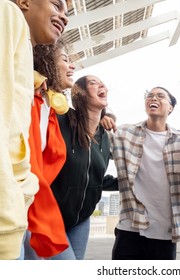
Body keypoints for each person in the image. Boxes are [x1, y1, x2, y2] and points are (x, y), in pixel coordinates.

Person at [0, 0, 68, 260]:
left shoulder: (22, 43)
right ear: (24, 2)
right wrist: (8, 218)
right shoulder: (7, 13)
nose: (64, 17)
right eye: (56, 4)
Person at [110, 87, 180, 260]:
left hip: (165, 230)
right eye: (150, 96)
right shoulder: (124, 133)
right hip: (131, 225)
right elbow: (95, 143)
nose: (153, 98)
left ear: (170, 107)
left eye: (160, 96)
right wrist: (103, 118)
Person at [49, 75, 114, 260]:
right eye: (93, 83)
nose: (102, 84)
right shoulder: (62, 121)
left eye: (102, 82)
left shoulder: (104, 137)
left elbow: (95, 178)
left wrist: (126, 182)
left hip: (81, 221)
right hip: (52, 217)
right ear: (81, 94)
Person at [24, 38, 75, 259]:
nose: (72, 66)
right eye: (65, 59)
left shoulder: (49, 107)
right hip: (22, 210)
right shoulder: (28, 98)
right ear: (45, 62)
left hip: (31, 210)